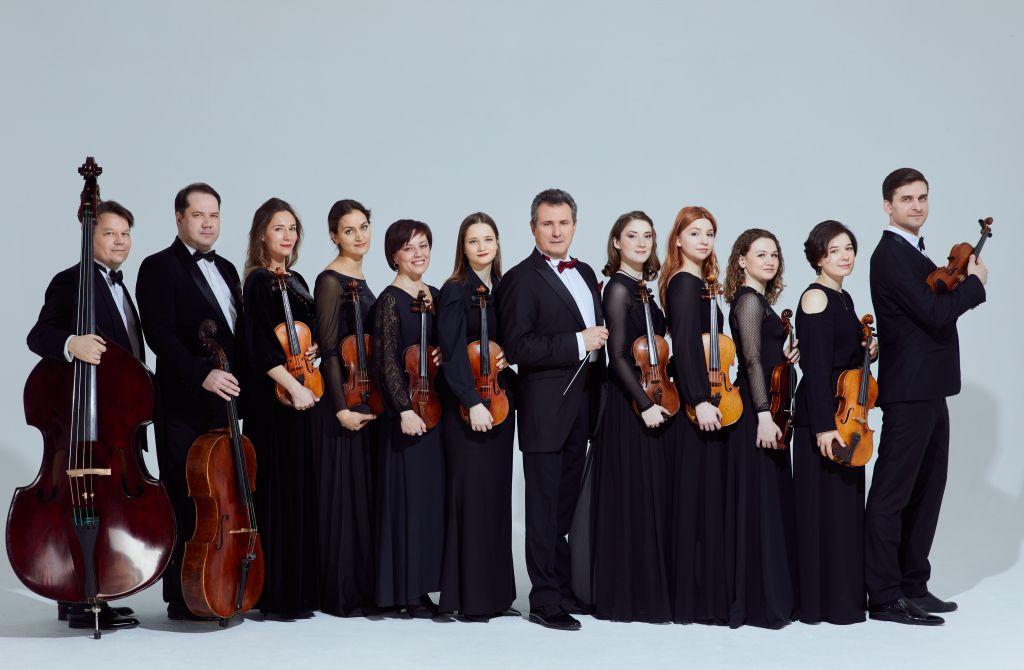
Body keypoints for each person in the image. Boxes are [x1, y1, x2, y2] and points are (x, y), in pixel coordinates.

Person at [865, 168, 987, 625]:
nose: (916, 206)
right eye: (906, 199)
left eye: (922, 197)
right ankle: (883, 596)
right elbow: (935, 313)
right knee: (892, 494)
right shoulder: (889, 255)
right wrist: (974, 286)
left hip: (931, 389)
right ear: (888, 206)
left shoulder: (914, 252)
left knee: (928, 489)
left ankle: (913, 583)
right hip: (909, 391)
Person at [27, 200, 145, 631]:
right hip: (83, 428)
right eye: (110, 233)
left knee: (109, 506)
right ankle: (78, 592)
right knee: (83, 502)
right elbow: (39, 335)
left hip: (115, 424)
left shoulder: (121, 288)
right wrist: (70, 343)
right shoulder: (70, 281)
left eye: (125, 234)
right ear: (89, 236)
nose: (120, 241)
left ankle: (95, 589)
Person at [499, 188, 607, 631]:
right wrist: (579, 341)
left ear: (574, 226)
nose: (556, 231)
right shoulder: (520, 279)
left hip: (583, 406)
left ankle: (561, 587)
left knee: (564, 506)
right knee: (543, 509)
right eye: (547, 223)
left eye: (564, 223)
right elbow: (518, 347)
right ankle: (544, 599)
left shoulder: (585, 272)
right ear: (533, 228)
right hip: (545, 410)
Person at [136, 182, 242, 620]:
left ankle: (221, 584)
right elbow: (159, 335)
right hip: (182, 404)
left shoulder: (229, 269)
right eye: (198, 215)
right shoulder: (158, 266)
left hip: (223, 404)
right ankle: (184, 595)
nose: (207, 223)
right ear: (179, 218)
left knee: (223, 498)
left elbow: (234, 338)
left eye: (214, 215)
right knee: (186, 495)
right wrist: (203, 375)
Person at [588, 211, 674, 623]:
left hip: (650, 399)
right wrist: (644, 405)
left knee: (649, 495)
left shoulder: (643, 289)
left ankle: (648, 589)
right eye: (632, 235)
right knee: (632, 498)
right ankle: (627, 595)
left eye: (648, 236)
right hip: (629, 407)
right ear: (616, 242)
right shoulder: (619, 289)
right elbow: (617, 357)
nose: (641, 242)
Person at [238, 197, 320, 619]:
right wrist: (292, 387)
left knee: (300, 491)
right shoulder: (257, 282)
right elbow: (257, 345)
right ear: (261, 236)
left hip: (302, 392)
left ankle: (302, 590)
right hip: (272, 402)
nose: (287, 236)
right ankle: (276, 595)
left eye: (292, 229)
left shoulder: (298, 280)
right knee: (275, 491)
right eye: (278, 228)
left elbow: (304, 334)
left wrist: (313, 350)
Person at [792, 220, 877, 625]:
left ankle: (843, 600)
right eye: (834, 251)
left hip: (846, 418)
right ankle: (817, 604)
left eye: (848, 249)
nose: (844, 257)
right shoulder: (815, 298)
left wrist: (868, 351)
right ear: (818, 258)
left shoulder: (843, 298)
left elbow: (843, 356)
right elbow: (815, 367)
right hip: (824, 419)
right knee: (819, 512)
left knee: (843, 512)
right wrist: (825, 427)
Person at [437, 212, 518, 622]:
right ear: (463, 248)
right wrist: (472, 402)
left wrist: (509, 360)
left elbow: (517, 341)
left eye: (488, 239)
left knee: (496, 499)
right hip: (466, 409)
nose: (482, 247)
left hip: (500, 404)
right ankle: (468, 598)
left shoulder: (506, 289)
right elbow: (451, 354)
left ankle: (497, 596)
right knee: (469, 499)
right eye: (473, 241)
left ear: (498, 243)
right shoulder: (455, 290)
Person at [659, 205, 732, 624]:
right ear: (678, 240)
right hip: (698, 406)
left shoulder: (695, 282)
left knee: (700, 499)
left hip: (705, 399)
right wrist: (700, 399)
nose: (704, 241)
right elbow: (685, 346)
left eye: (709, 234)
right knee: (696, 501)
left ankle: (699, 596)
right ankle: (693, 600)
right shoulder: (685, 282)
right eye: (695, 233)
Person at [723, 228, 799, 628]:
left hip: (768, 411)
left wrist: (784, 355)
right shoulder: (749, 300)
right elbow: (750, 361)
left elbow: (764, 356)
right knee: (759, 504)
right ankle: (761, 602)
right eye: (761, 254)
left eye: (774, 255)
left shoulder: (760, 301)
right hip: (758, 416)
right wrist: (764, 414)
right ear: (742, 260)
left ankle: (772, 595)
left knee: (768, 502)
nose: (769, 261)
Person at [371, 219, 446, 618]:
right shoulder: (389, 300)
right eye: (408, 248)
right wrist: (403, 410)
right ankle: (404, 592)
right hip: (406, 416)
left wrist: (443, 352)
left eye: (423, 246)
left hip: (435, 409)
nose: (418, 254)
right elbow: (385, 362)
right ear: (394, 256)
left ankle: (422, 586)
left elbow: (444, 347)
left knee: (428, 502)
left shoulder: (435, 295)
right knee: (406, 502)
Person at [312, 199, 379, 617]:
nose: (359, 236)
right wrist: (340, 409)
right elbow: (330, 351)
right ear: (334, 236)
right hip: (341, 404)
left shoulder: (363, 278)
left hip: (364, 398)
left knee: (362, 496)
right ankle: (341, 593)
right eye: (349, 230)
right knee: (343, 497)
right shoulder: (329, 280)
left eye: (364, 227)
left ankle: (364, 587)